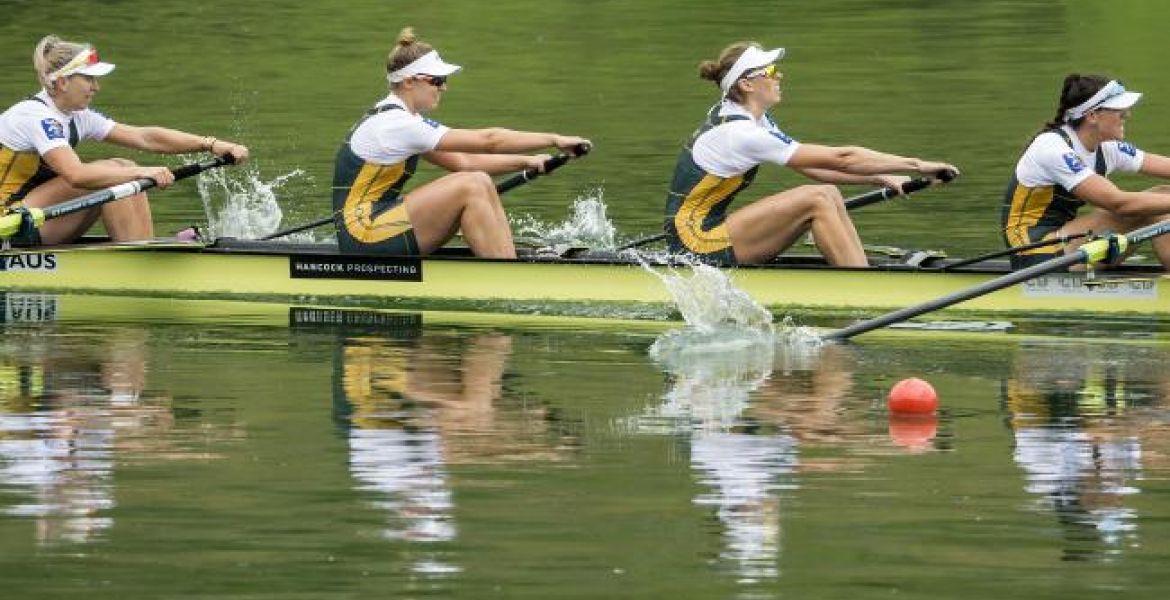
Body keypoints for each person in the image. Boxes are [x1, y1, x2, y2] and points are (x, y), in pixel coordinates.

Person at [665, 42, 958, 266]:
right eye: (769, 71)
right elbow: (841, 158)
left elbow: (815, 168)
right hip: (695, 244)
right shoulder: (741, 133)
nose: (779, 75)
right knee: (817, 198)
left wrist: (882, 177)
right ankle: (864, 288)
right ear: (746, 84)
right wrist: (917, 164)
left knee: (827, 192)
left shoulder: (745, 117)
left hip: (708, 229)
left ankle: (860, 274)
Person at [332, 27, 590, 258]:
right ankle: (507, 276)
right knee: (473, 184)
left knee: (477, 180)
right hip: (364, 236)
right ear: (409, 82)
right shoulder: (396, 124)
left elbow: (463, 161)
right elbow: (488, 141)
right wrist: (554, 139)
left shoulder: (403, 119)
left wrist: (529, 161)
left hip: (378, 222)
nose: (443, 88)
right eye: (437, 80)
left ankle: (504, 259)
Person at [0, 35, 249, 246]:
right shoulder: (36, 117)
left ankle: (142, 245)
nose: (96, 87)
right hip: (7, 225)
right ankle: (139, 260)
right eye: (88, 79)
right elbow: (76, 175)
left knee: (123, 164)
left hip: (31, 218)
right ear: (63, 82)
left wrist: (211, 144)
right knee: (116, 171)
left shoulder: (75, 116)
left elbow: (145, 137)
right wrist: (143, 172)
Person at [1002, 74, 1170, 270]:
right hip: (1035, 252)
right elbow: (1119, 204)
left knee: (1163, 195)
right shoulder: (1052, 147)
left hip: (1067, 246)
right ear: (1092, 115)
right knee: (1156, 206)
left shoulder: (1107, 148)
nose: (1127, 114)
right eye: (1118, 109)